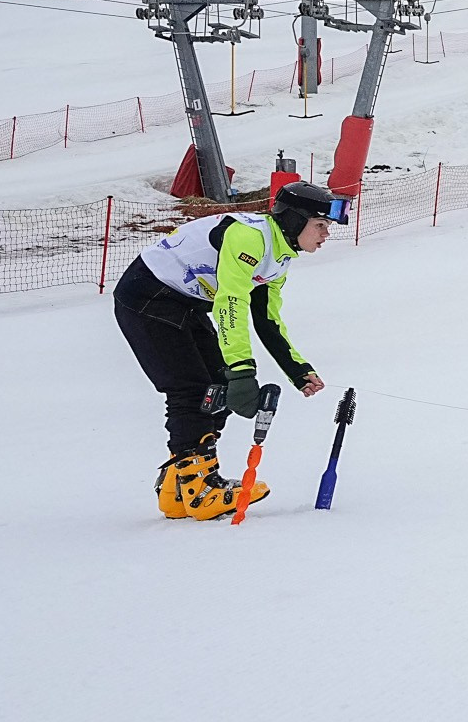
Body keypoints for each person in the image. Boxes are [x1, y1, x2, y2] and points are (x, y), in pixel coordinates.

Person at [114, 180, 344, 518]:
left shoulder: (278, 254)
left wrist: (298, 370)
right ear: (295, 220)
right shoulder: (249, 237)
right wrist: (241, 369)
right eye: (320, 225)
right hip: (147, 299)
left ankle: (179, 487)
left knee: (214, 388)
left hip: (183, 304)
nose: (326, 234)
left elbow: (266, 319)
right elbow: (231, 302)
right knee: (192, 389)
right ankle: (196, 488)